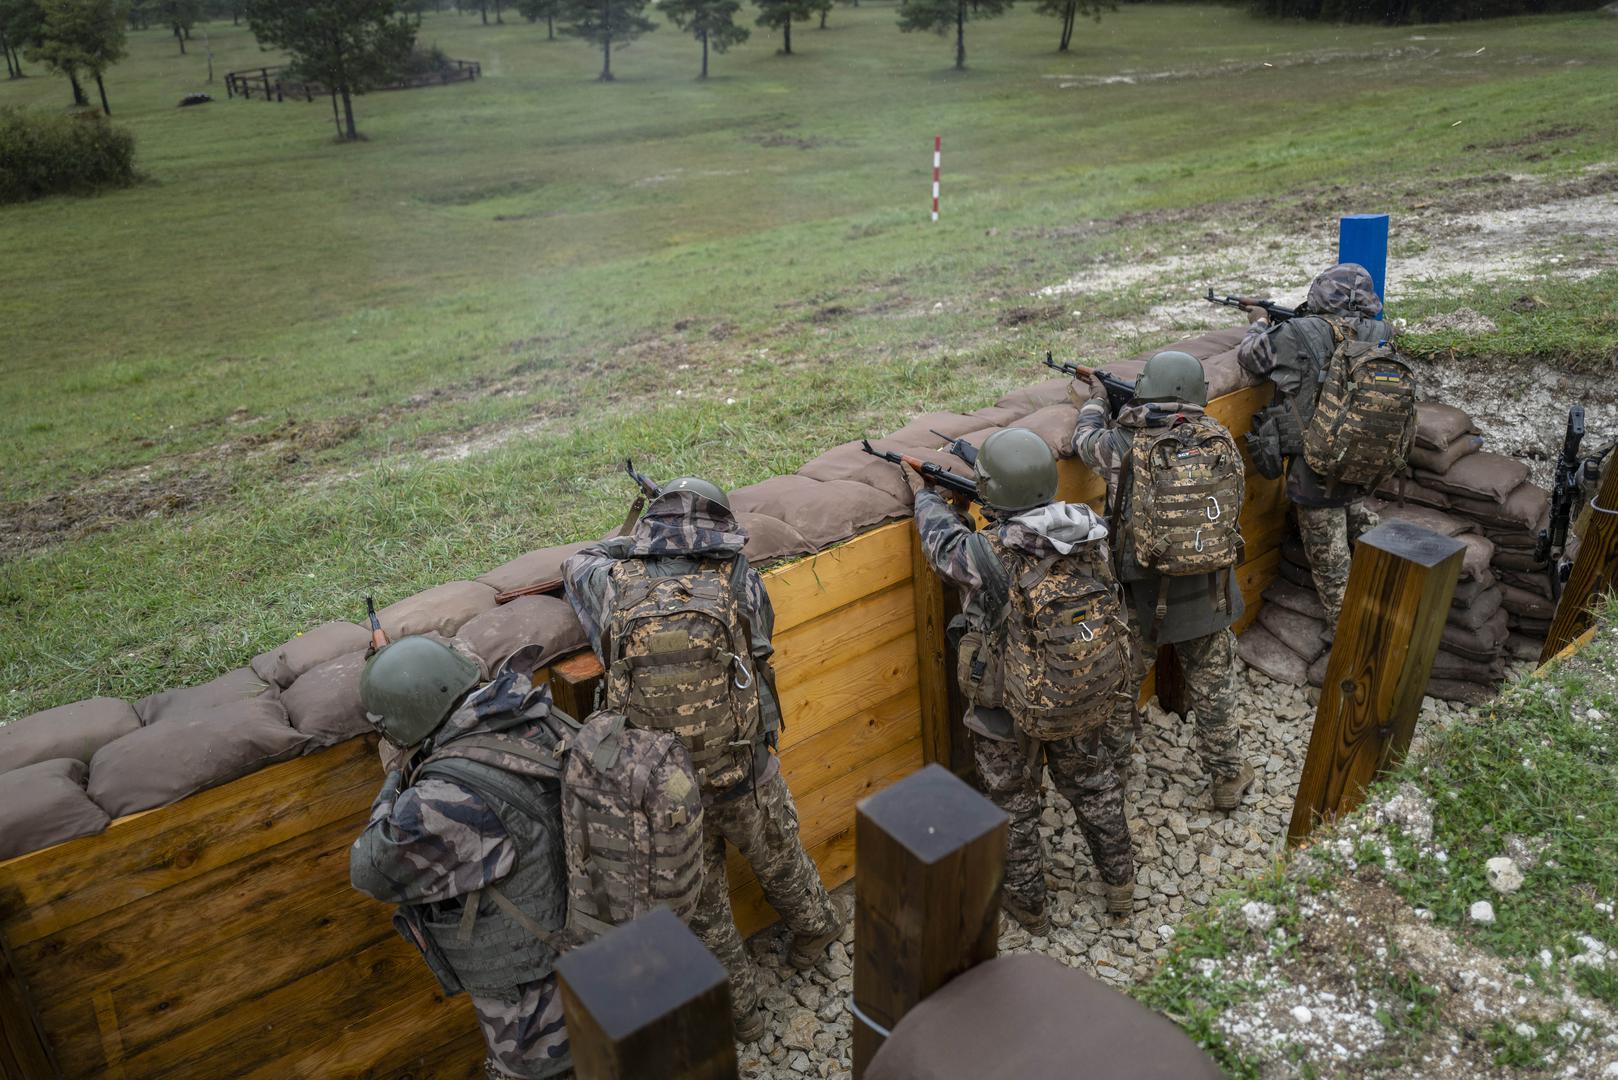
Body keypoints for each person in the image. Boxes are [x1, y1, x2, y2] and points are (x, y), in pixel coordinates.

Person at [562, 477, 842, 1042]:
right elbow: (759, 640)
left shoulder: (613, 584)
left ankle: (744, 1013)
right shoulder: (739, 578)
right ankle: (815, 934)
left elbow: (577, 561)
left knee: (704, 905)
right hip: (743, 767)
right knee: (780, 856)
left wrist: (637, 545)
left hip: (661, 788)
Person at [907, 428, 1136, 930]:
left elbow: (941, 543)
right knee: (1094, 786)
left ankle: (1030, 906)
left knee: (1012, 803)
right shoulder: (1089, 529)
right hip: (1078, 686)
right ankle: (1120, 884)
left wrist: (926, 495)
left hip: (1004, 704)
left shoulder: (988, 552)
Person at [350, 635, 573, 1080]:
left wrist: (395, 774)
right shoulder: (533, 717)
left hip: (536, 1006)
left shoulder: (442, 801)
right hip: (602, 946)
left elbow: (370, 869)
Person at [1071, 352, 1253, 812]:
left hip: (1142, 594)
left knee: (1122, 688)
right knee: (1214, 691)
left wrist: (1097, 397)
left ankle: (1116, 773)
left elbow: (1083, 439)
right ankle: (1227, 776)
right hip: (1211, 590)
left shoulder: (1122, 443)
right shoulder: (1219, 438)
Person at [1236, 263, 1387, 628]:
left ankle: (1351, 642)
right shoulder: (1379, 331)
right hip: (1363, 456)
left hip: (1315, 467)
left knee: (1332, 569)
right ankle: (1391, 594)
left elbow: (1250, 355)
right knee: (1360, 523)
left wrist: (1259, 321)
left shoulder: (1298, 332)